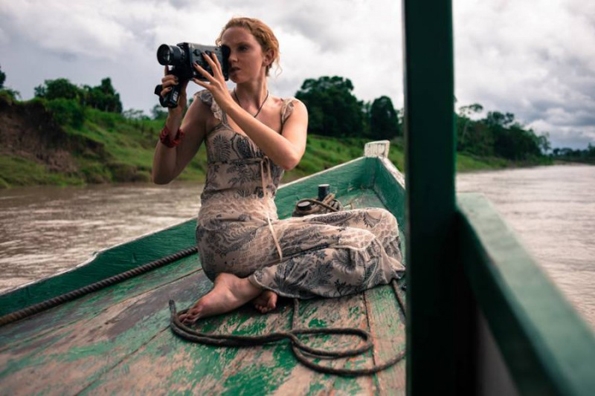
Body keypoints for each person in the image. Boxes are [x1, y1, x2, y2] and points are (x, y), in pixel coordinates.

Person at [152, 17, 405, 324]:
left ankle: (270, 281)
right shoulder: (207, 104)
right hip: (223, 236)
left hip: (269, 229)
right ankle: (245, 286)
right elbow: (162, 175)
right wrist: (174, 118)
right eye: (226, 50)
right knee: (362, 248)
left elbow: (288, 156)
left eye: (243, 48)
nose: (231, 58)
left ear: (268, 55)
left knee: (384, 222)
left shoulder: (291, 109)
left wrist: (230, 106)